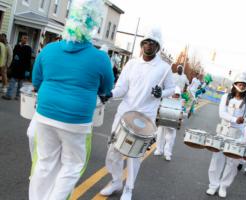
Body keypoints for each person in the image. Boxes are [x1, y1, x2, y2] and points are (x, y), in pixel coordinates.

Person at [29, 0, 114, 199]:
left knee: (44, 162)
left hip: (45, 114)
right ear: (93, 26)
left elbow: (36, 80)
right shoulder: (100, 58)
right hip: (76, 120)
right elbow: (106, 87)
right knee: (72, 165)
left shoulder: (49, 49)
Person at [99, 28, 175, 200]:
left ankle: (129, 189)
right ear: (142, 45)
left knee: (134, 155)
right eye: (146, 42)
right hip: (124, 115)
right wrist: (110, 94)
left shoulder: (164, 68)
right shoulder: (131, 64)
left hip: (144, 118)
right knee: (113, 151)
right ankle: (116, 181)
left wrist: (161, 93)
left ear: (158, 47)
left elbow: (171, 89)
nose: (149, 45)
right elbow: (122, 88)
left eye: (153, 43)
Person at [206, 73, 246, 198]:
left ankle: (223, 186)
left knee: (232, 163)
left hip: (237, 136)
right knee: (217, 160)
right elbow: (221, 114)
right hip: (222, 133)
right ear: (235, 84)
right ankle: (213, 186)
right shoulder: (225, 97)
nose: (242, 86)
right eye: (240, 83)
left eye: (244, 84)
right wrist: (235, 119)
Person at [154, 87, 182, 161]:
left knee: (170, 139)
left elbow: (181, 115)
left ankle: (167, 153)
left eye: (177, 95)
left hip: (172, 124)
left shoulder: (180, 103)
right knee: (160, 136)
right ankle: (159, 150)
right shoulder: (165, 100)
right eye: (175, 94)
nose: (175, 96)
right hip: (162, 121)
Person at [2, 33, 32, 100]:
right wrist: (11, 65)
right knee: (12, 82)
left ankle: (18, 96)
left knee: (20, 84)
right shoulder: (17, 46)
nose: (25, 40)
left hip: (23, 68)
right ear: (21, 38)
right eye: (24, 38)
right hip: (15, 67)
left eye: (26, 38)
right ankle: (9, 95)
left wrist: (27, 70)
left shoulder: (28, 48)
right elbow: (13, 56)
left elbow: (28, 60)